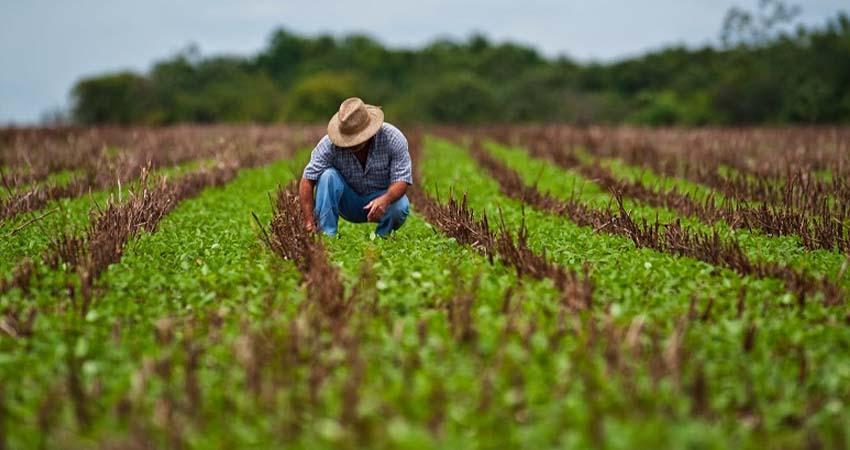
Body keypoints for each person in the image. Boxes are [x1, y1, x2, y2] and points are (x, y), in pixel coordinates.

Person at [299, 97, 412, 237]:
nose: (353, 143)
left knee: (400, 206)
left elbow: (402, 180)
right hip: (348, 202)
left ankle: (382, 237)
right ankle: (327, 236)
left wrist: (385, 199)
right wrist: (309, 222)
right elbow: (307, 180)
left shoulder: (393, 138)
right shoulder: (329, 145)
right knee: (328, 176)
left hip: (382, 199)